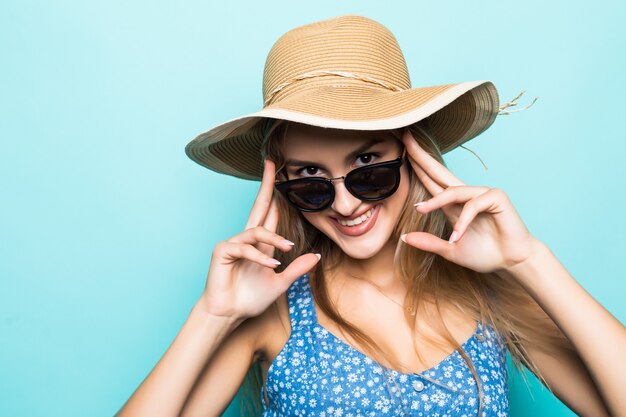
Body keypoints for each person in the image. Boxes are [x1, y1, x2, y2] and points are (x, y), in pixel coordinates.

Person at [115, 14, 625, 417]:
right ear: (283, 186)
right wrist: (212, 316)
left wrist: (529, 260)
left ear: (414, 155)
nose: (344, 204)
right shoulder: (274, 312)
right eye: (310, 180)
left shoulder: (488, 294)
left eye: (367, 166)